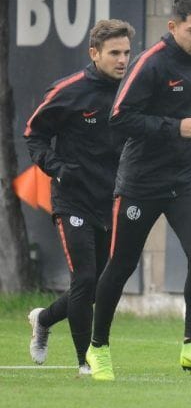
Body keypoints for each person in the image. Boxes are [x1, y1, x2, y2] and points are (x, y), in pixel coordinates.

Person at [86, 0, 191, 381]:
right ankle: (98, 349)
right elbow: (119, 117)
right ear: (173, 27)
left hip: (185, 177)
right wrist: (173, 127)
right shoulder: (150, 64)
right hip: (141, 181)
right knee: (122, 264)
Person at [24, 19, 135, 375]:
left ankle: (43, 319)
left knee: (96, 288)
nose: (122, 60)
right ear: (94, 53)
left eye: (127, 53)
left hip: (112, 201)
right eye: (114, 53)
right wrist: (57, 168)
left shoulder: (133, 91)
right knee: (84, 280)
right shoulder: (69, 91)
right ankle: (86, 363)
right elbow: (34, 134)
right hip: (72, 200)